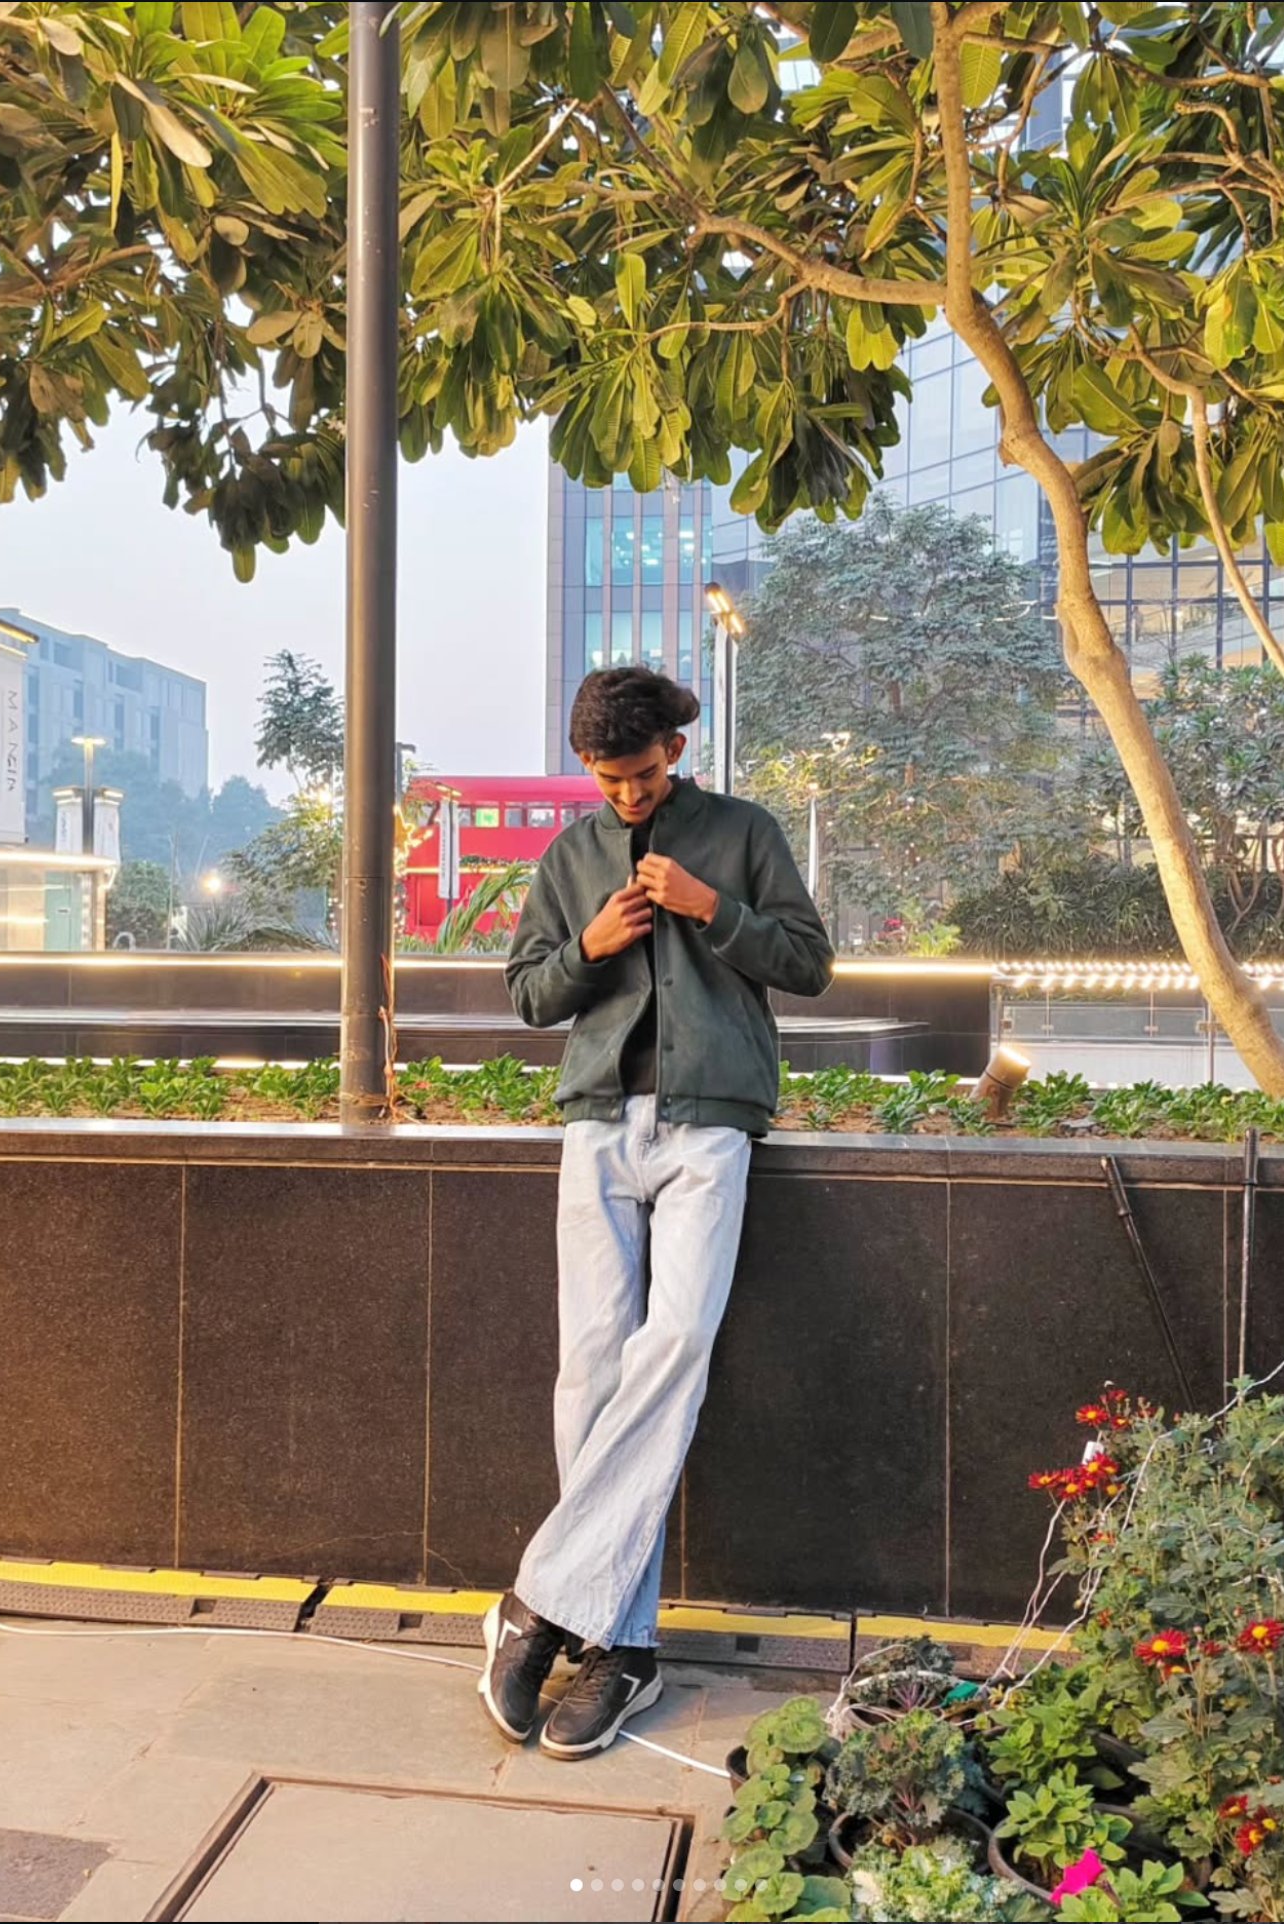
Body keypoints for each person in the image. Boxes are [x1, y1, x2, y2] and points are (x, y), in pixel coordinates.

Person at [480, 666, 834, 1760]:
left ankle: (539, 1604)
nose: (624, 794)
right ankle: (621, 1648)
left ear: (677, 747)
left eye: (638, 773)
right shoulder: (570, 856)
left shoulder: (743, 832)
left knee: (675, 1342)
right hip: (595, 1121)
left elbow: (810, 962)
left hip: (710, 1124)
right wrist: (590, 946)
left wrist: (709, 909)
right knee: (589, 1363)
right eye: (605, 777)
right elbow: (528, 992)